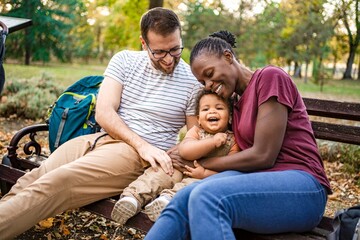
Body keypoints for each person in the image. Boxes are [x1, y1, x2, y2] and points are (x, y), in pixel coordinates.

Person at [0, 7, 202, 239]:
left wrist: (163, 150)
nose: (169, 59)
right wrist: (141, 143)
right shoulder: (124, 60)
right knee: (33, 178)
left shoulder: (191, 81)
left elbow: (194, 133)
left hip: (135, 157)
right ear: (144, 44)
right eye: (159, 52)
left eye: (175, 49)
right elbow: (104, 113)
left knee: (59, 183)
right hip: (98, 139)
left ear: (181, 38)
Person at [144, 30, 332, 240]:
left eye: (209, 74)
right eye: (202, 82)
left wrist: (202, 161)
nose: (208, 86)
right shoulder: (234, 103)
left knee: (206, 198)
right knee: (182, 199)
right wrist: (183, 152)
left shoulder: (270, 77)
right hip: (260, 181)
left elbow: (263, 156)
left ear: (228, 56)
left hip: (303, 187)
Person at [111, 90, 239, 224]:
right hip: (179, 168)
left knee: (190, 187)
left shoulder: (233, 141)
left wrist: (204, 173)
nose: (212, 112)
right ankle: (132, 198)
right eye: (205, 109)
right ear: (199, 119)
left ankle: (166, 201)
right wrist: (212, 142)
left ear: (229, 117)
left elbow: (229, 171)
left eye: (219, 108)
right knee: (160, 174)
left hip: (201, 177)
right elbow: (185, 151)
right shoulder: (196, 132)